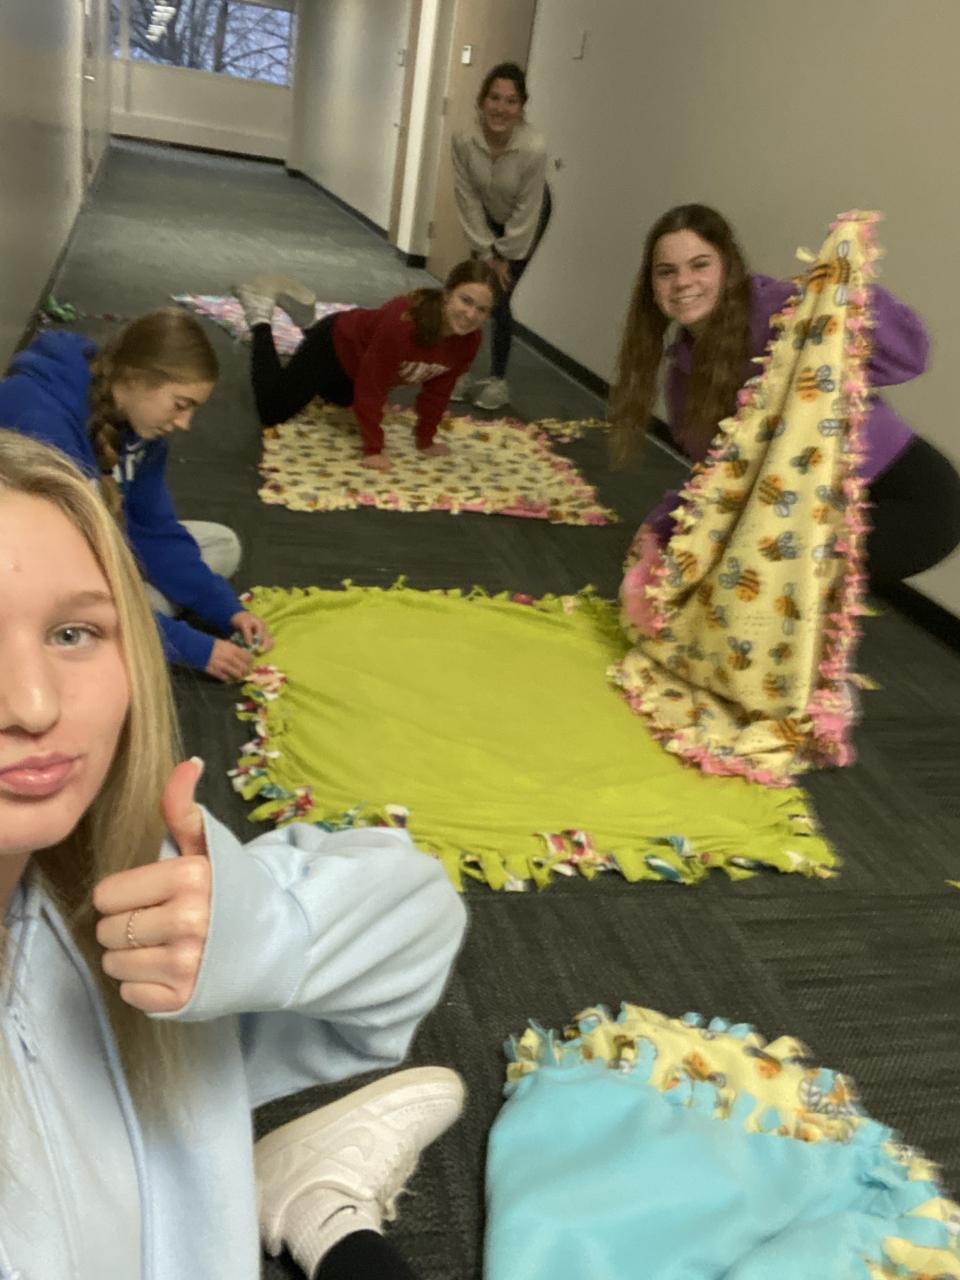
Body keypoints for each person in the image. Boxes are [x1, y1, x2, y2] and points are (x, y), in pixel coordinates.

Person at [0, 429, 469, 1279]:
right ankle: (323, 1209)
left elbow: (418, 923)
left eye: (73, 633)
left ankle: (314, 1205)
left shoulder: (117, 892)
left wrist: (263, 933)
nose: (34, 705)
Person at [610, 203, 960, 592]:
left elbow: (909, 356)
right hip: (816, 506)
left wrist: (844, 289)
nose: (683, 282)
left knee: (762, 577)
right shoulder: (683, 374)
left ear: (728, 266)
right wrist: (661, 525)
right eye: (666, 271)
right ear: (652, 286)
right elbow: (718, 476)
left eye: (700, 264)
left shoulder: (781, 309)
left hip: (906, 497)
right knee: (746, 574)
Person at [0, 307, 271, 682]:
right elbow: (59, 571)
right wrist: (190, 647)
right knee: (71, 623)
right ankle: (125, 630)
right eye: (181, 405)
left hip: (92, 551)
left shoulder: (139, 422)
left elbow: (152, 528)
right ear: (137, 377)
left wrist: (227, 610)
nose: (184, 423)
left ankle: (127, 627)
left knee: (222, 543)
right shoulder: (37, 418)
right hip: (26, 572)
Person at [234, 260, 497, 472]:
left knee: (342, 400)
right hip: (333, 344)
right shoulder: (403, 322)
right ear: (447, 295)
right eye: (466, 301)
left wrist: (425, 439)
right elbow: (373, 386)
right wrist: (373, 449)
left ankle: (304, 318)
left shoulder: (469, 341)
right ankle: (259, 315)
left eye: (482, 310)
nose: (471, 315)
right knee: (272, 411)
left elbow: (438, 392)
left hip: (357, 366)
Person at [451, 61, 552, 411]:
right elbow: (467, 197)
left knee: (497, 295)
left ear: (521, 107)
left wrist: (504, 256)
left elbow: (527, 210)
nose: (501, 108)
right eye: (495, 98)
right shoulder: (464, 138)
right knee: (473, 288)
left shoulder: (533, 147)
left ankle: (497, 381)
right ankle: (460, 370)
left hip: (527, 217)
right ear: (482, 100)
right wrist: (484, 251)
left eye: (511, 101)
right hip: (486, 215)